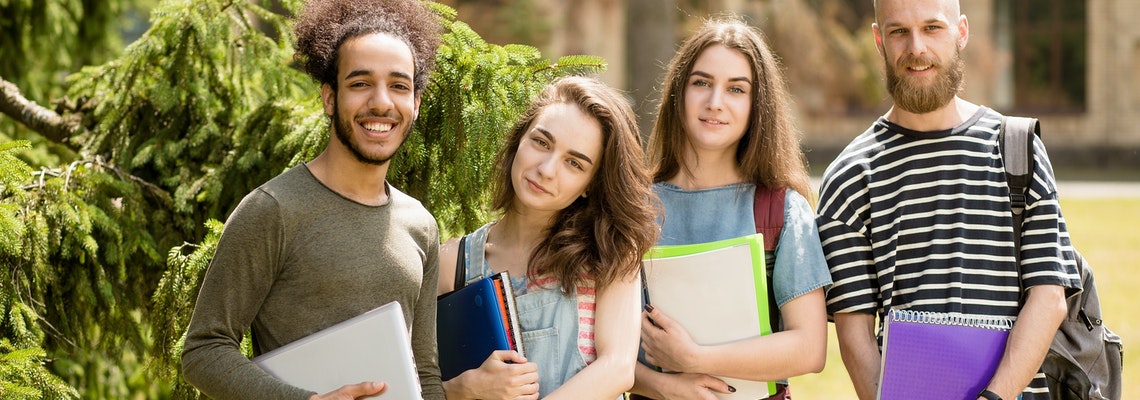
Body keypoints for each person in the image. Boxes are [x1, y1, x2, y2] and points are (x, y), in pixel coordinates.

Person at [815, 1, 1082, 399]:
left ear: (961, 31)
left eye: (932, 28)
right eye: (898, 32)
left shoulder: (1018, 148)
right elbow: (856, 339)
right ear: (878, 40)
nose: (916, 47)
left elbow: (1049, 299)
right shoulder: (850, 177)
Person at [180, 1, 445, 399]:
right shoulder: (273, 210)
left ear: (416, 103)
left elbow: (424, 371)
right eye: (360, 83)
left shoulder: (420, 224)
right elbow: (203, 351)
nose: (381, 102)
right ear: (328, 97)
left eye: (399, 86)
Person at [629, 17, 832, 400]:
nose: (715, 102)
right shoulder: (633, 206)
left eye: (736, 89)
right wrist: (664, 386)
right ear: (678, 92)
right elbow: (596, 346)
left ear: (758, 105)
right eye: (701, 83)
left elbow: (810, 348)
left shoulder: (782, 210)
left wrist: (694, 358)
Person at [436, 76, 659, 400]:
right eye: (541, 142)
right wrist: (461, 389)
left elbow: (617, 368)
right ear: (520, 139)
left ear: (589, 185)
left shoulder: (610, 254)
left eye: (574, 163)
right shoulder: (452, 262)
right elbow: (417, 383)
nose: (547, 169)